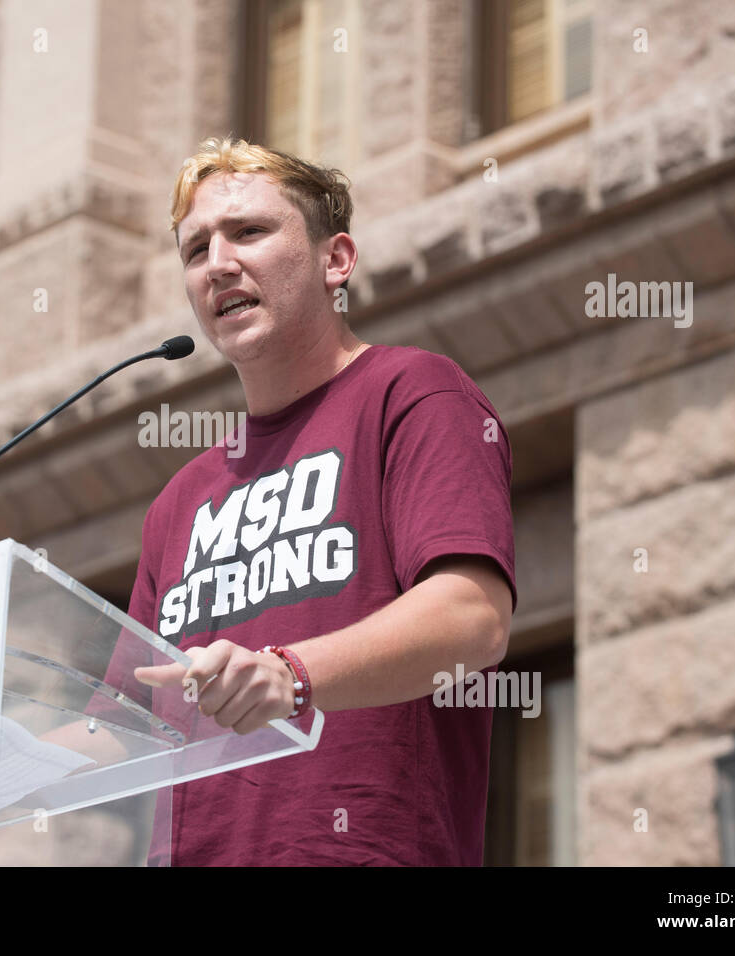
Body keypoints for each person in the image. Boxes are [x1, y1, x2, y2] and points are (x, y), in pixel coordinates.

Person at [105, 137, 517, 865]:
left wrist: (288, 676)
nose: (218, 263)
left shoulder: (413, 394)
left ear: (337, 261)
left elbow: (472, 617)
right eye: (196, 249)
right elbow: (121, 722)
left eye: (251, 232)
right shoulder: (178, 502)